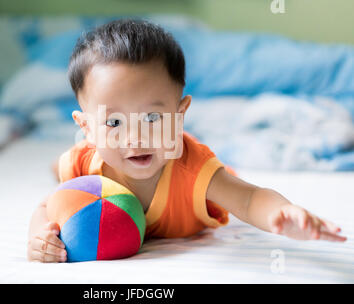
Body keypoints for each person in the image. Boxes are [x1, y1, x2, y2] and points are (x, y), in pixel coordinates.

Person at [27, 19, 346, 263]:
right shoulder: (87, 161)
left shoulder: (194, 170)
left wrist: (284, 214)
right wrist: (39, 236)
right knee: (63, 169)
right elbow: (47, 206)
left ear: (180, 115)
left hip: (184, 158)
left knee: (219, 172)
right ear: (87, 128)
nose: (136, 138)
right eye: (114, 122)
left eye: (152, 118)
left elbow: (249, 200)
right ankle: (61, 161)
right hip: (91, 154)